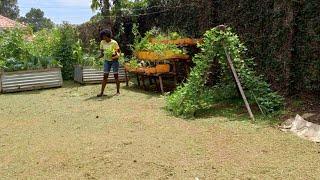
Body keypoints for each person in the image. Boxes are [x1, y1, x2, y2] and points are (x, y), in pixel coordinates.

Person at [97, 29, 121, 97]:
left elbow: (119, 52)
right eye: (103, 36)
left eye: (105, 36)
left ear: (108, 36)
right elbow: (102, 53)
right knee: (105, 76)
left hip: (114, 61)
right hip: (106, 61)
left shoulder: (114, 43)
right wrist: (97, 58)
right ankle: (101, 92)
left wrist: (116, 56)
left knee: (116, 76)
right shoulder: (102, 42)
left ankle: (118, 91)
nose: (103, 38)